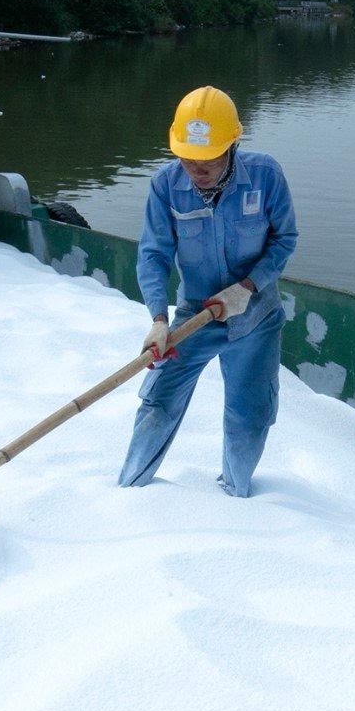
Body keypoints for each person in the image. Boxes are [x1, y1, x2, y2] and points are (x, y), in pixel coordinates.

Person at [116, 85, 299, 497]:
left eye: (208, 160)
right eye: (187, 158)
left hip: (255, 316)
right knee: (158, 403)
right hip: (195, 317)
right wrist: (159, 321)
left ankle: (237, 495)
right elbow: (153, 255)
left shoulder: (266, 176)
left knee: (248, 414)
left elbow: (284, 239)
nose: (195, 169)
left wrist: (248, 287)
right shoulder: (165, 186)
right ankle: (129, 491)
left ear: (232, 145)